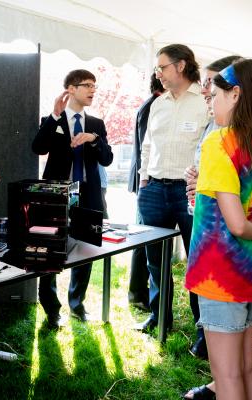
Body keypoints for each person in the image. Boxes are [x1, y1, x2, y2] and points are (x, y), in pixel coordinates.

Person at [184, 59, 252, 400]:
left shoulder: (219, 143)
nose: (211, 102)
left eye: (213, 95)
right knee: (248, 366)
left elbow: (237, 225)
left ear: (235, 95)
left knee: (227, 374)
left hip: (220, 272)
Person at [134, 45, 209, 354]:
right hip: (153, 189)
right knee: (155, 261)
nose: (158, 73)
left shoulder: (205, 102)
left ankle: (203, 329)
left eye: (162, 67)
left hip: (189, 191)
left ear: (180, 66)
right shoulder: (158, 103)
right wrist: (143, 178)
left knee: (198, 261)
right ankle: (159, 318)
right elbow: (148, 143)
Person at [32, 69, 113, 329]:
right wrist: (55, 115)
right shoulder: (52, 119)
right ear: (71, 89)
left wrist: (93, 140)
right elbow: (38, 147)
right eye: (86, 85)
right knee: (49, 252)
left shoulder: (96, 124)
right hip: (56, 196)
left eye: (94, 86)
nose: (92, 90)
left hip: (88, 195)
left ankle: (77, 304)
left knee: (86, 250)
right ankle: (51, 309)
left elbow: (107, 159)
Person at [127, 73, 164, 311]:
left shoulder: (153, 104)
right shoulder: (153, 106)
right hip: (148, 183)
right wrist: (146, 183)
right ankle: (137, 293)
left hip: (148, 182)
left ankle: (139, 292)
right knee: (144, 240)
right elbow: (146, 147)